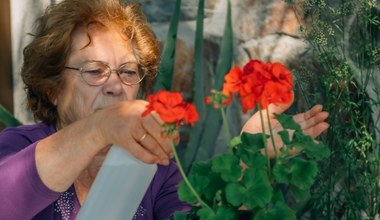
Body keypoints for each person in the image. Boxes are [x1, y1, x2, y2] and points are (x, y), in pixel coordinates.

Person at [0, 0, 330, 219]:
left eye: (128, 72)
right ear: (52, 89)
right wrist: (100, 128)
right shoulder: (18, 147)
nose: (116, 85)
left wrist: (248, 153)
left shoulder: (155, 168)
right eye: (94, 70)